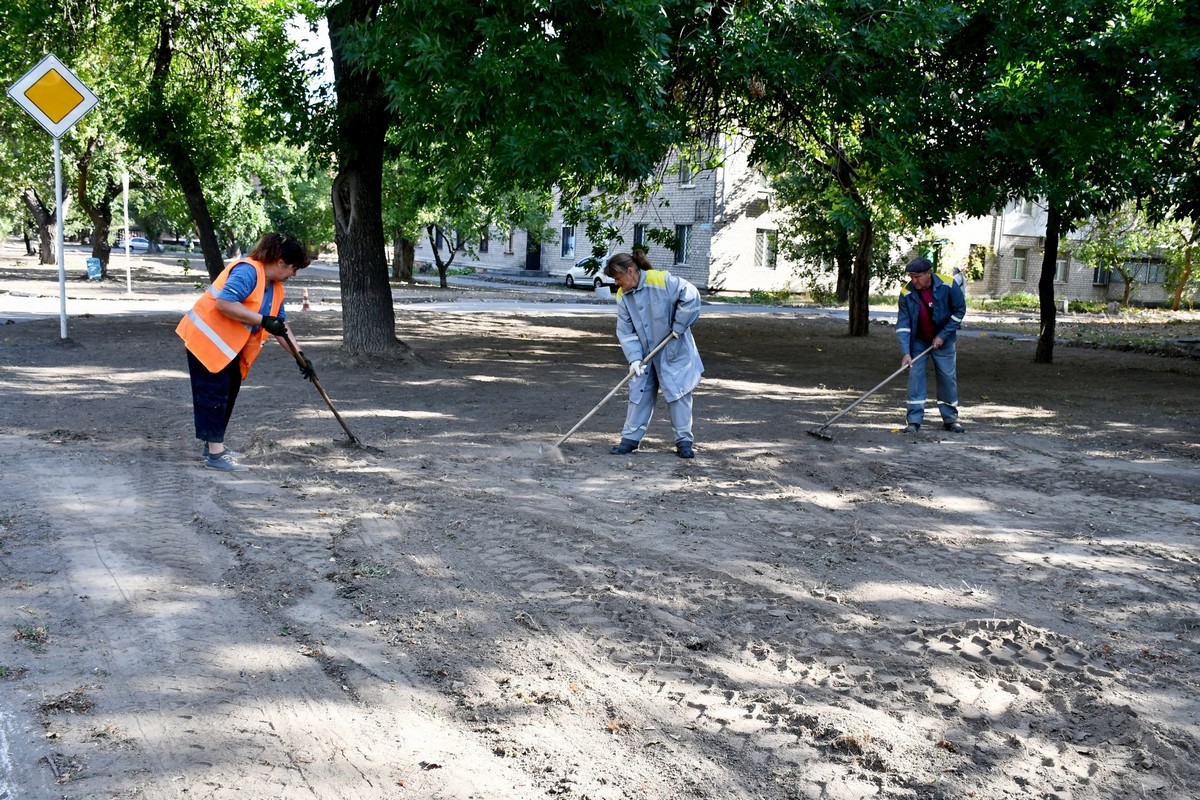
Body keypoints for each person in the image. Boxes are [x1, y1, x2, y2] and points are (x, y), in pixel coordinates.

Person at [176, 233, 315, 471]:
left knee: (228, 393)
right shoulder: (248, 271)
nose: (294, 274)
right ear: (280, 262)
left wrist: (301, 357)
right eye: (293, 268)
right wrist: (263, 320)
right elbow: (224, 303)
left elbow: (280, 326)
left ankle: (212, 446)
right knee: (214, 395)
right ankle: (216, 456)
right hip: (207, 340)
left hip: (229, 347)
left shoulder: (275, 287)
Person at [602, 250, 704, 458]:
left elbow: (691, 295)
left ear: (630, 271)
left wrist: (679, 325)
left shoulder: (661, 280)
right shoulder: (623, 296)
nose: (617, 283)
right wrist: (634, 359)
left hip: (674, 350)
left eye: (618, 278)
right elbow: (626, 331)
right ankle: (630, 439)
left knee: (679, 395)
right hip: (645, 354)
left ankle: (684, 441)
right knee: (639, 393)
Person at [896, 256, 966, 434]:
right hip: (919, 341)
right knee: (915, 377)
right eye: (911, 277)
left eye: (917, 276)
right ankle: (913, 421)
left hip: (944, 341)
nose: (913, 280)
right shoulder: (906, 293)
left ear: (929, 273)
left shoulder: (949, 285)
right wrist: (905, 352)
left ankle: (950, 419)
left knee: (947, 378)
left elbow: (960, 310)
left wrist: (943, 335)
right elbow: (903, 325)